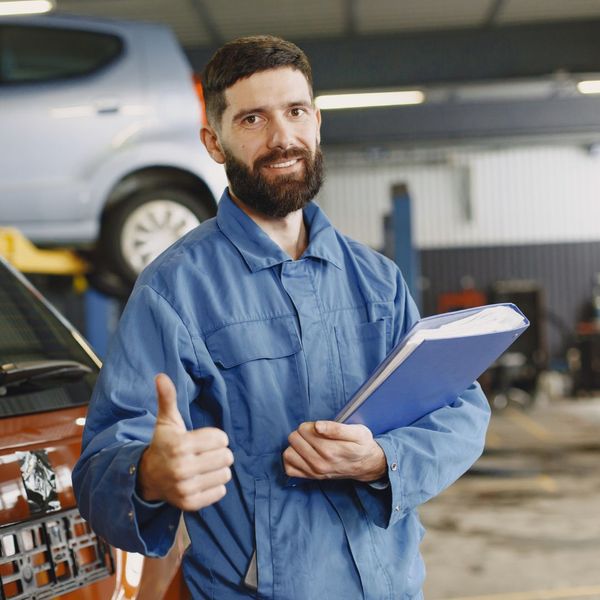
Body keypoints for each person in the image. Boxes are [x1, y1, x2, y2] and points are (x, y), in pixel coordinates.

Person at [73, 35, 491, 599]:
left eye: (295, 112)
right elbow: (101, 467)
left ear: (316, 121)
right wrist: (149, 474)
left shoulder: (377, 280)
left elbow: (460, 410)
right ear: (214, 144)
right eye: (252, 120)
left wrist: (382, 459)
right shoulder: (174, 291)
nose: (282, 138)